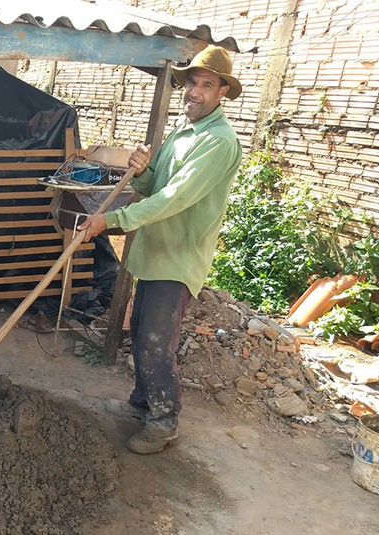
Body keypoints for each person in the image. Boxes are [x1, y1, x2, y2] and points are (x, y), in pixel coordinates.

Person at [77, 46, 243, 454]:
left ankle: (163, 421)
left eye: (206, 85)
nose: (195, 91)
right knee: (141, 332)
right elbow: (156, 188)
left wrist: (111, 220)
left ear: (222, 91)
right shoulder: (183, 133)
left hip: (177, 257)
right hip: (155, 252)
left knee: (156, 341)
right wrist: (144, 170)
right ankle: (141, 404)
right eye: (192, 83)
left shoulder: (218, 142)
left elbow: (174, 199)